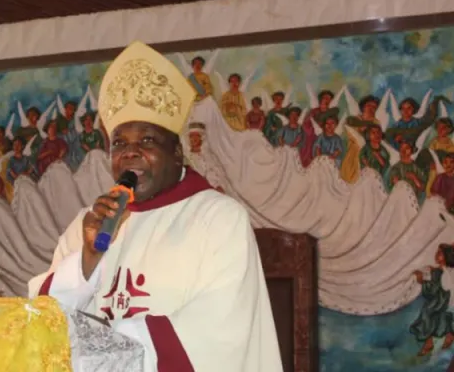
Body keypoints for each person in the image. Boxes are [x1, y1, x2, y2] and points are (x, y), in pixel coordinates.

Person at [29, 41, 282, 372]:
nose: (130, 153)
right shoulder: (89, 223)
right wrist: (88, 259)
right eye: (119, 143)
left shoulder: (219, 218)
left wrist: (114, 344)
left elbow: (219, 334)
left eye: (147, 140)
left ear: (176, 152)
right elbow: (42, 326)